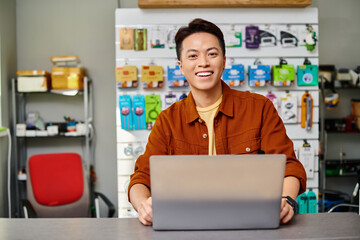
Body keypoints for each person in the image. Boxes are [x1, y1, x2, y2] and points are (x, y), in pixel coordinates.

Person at [128, 18, 306, 226]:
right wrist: (144, 206)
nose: (203, 62)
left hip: (252, 223)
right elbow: (140, 179)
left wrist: (286, 200)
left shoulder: (259, 108)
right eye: (193, 56)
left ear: (223, 61)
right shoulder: (168, 121)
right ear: (181, 66)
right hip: (185, 226)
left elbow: (290, 167)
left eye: (212, 54)